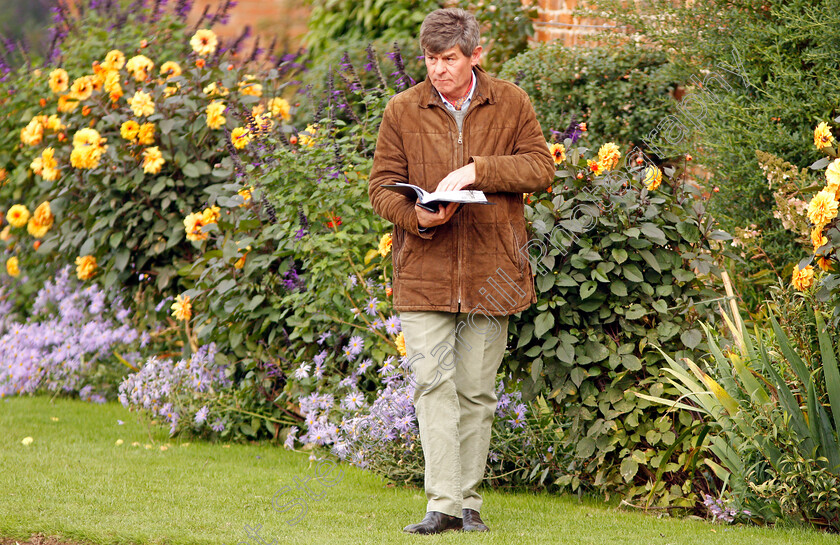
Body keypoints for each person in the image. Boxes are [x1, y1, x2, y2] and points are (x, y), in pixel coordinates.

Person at [368, 7, 554, 535]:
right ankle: (442, 505)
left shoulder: (511, 101)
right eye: (430, 58)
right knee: (431, 383)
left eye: (449, 58)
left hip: (493, 271)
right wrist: (416, 214)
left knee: (476, 391)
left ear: (476, 55)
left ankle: (467, 504)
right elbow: (381, 185)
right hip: (422, 272)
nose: (439, 70)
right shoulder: (402, 110)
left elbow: (541, 167)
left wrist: (480, 169)